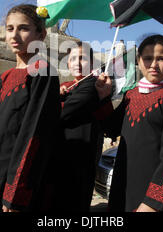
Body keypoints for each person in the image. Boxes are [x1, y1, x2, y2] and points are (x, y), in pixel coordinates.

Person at [0, 4, 62, 212]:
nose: (14, 34)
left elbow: (36, 133)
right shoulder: (7, 76)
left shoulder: (43, 72)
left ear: (41, 33)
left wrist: (16, 193)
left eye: (23, 28)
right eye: (10, 28)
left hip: (9, 181)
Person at [98, 34, 163, 212]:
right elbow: (111, 128)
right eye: (148, 58)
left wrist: (153, 202)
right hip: (123, 182)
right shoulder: (131, 95)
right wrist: (104, 98)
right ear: (139, 62)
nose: (154, 65)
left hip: (150, 193)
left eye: (162, 59)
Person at [54, 41, 112, 212]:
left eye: (83, 58)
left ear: (92, 64)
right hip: (59, 155)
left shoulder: (93, 85)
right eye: (72, 59)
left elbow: (62, 114)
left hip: (79, 159)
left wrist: (53, 100)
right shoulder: (66, 86)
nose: (77, 63)